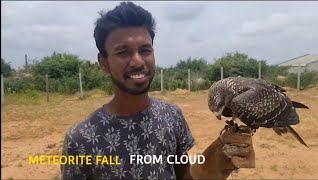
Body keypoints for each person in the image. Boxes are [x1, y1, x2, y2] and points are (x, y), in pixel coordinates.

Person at [61, 2, 255, 180]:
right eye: (123, 52)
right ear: (103, 62)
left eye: (145, 50)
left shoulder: (171, 116)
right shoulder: (80, 139)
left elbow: (183, 175)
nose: (137, 61)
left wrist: (215, 160)